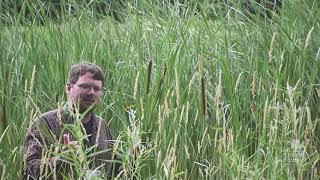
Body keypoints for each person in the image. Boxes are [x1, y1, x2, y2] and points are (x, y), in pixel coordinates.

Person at [23, 62, 119, 179]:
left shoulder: (102, 125)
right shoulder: (45, 122)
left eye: (96, 88)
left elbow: (114, 170)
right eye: (85, 86)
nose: (91, 92)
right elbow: (28, 169)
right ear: (69, 88)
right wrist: (62, 160)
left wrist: (133, 160)